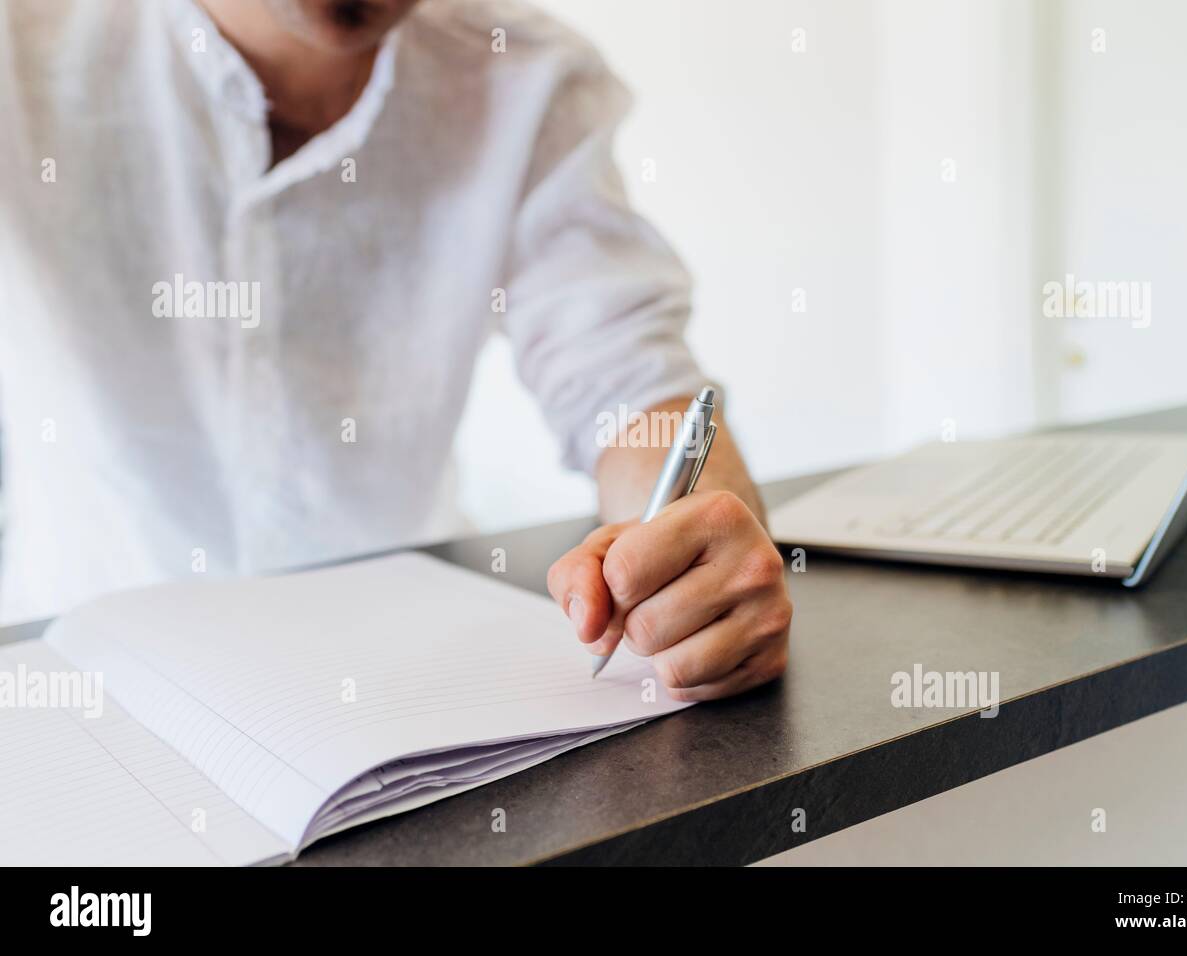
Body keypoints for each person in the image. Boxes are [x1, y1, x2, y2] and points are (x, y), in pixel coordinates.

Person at [0, 0, 790, 700]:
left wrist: (693, 558)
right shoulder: (22, 49)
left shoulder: (525, 80)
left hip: (397, 697)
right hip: (69, 675)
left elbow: (627, 380)